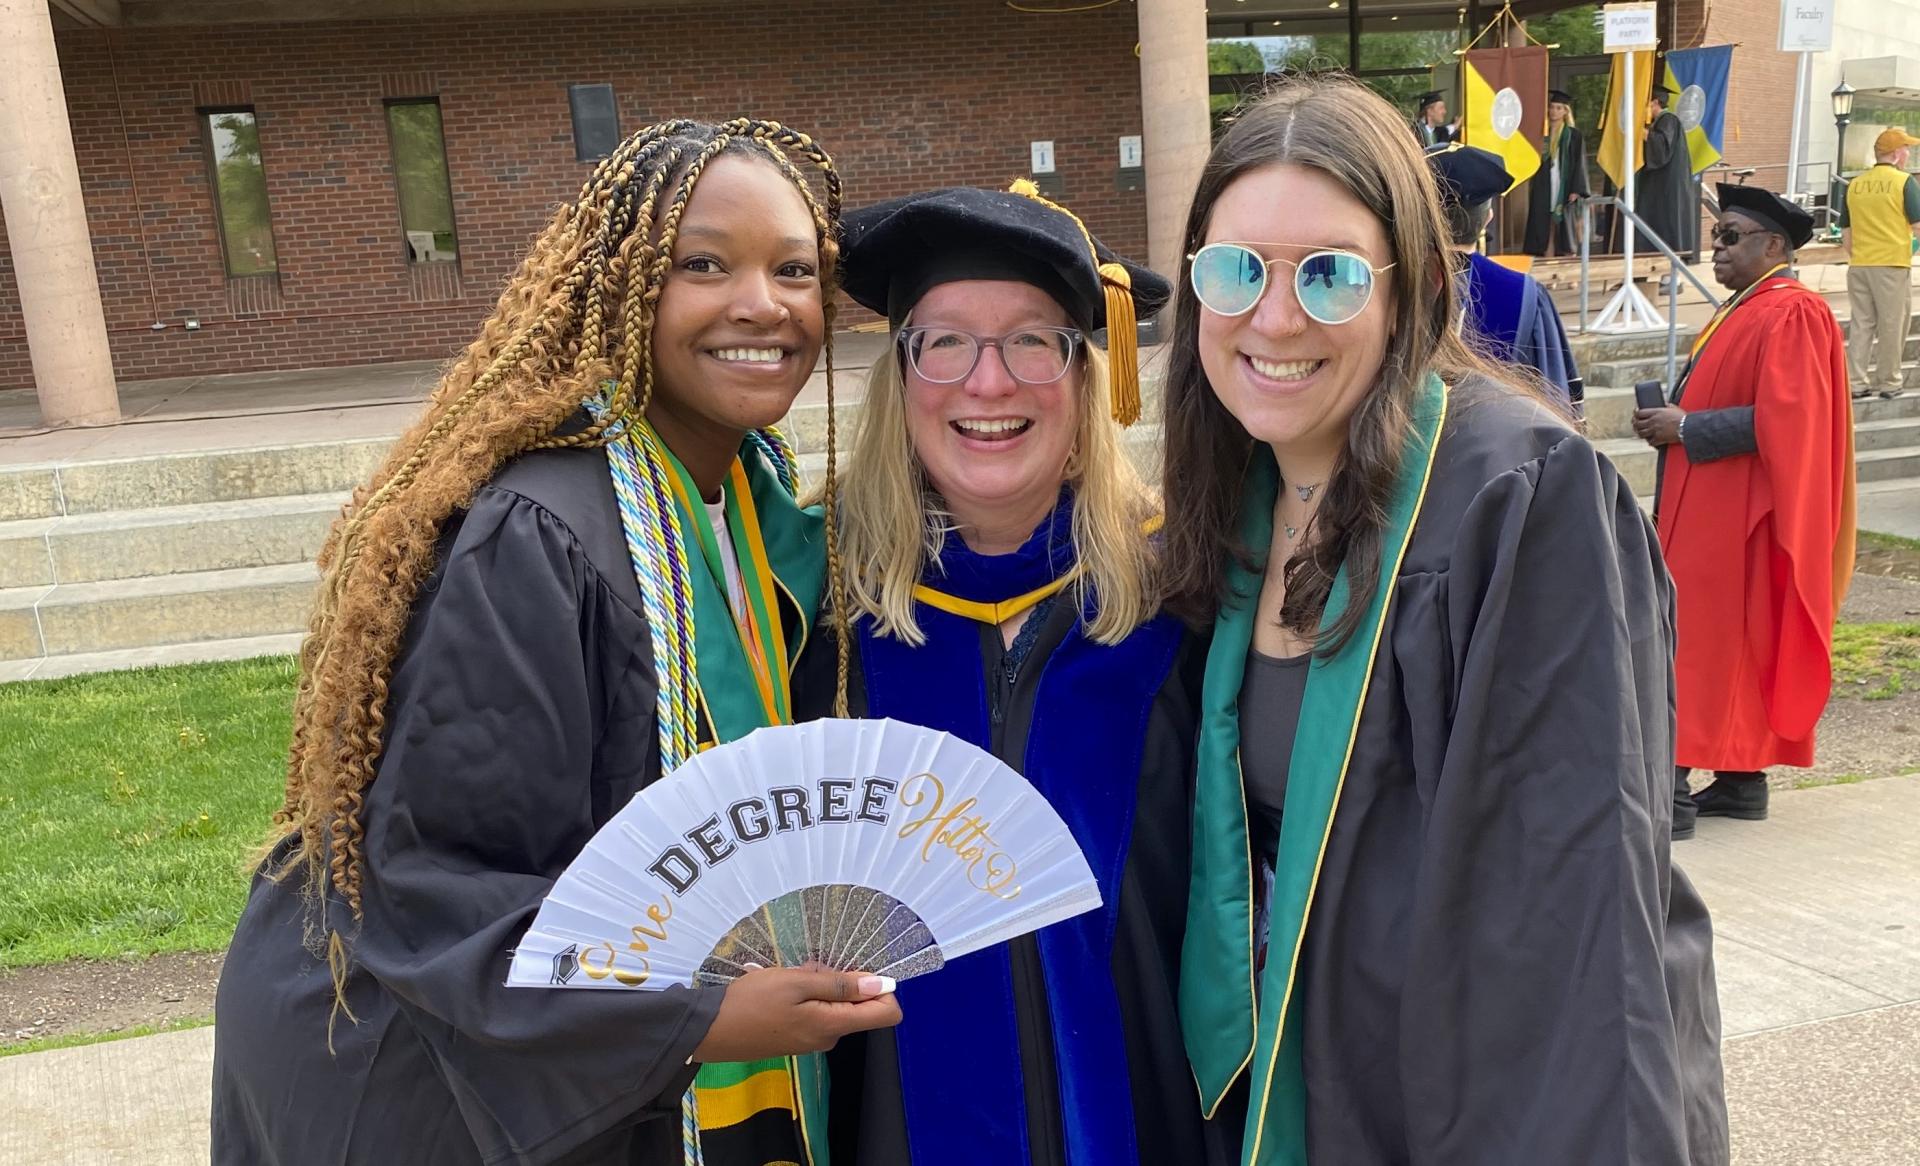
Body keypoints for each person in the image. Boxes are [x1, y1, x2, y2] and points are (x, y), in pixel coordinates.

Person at [210, 119, 906, 1166]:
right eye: (704, 264)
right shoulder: (539, 531)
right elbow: (442, 877)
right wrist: (706, 1019)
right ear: (622, 283)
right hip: (422, 1076)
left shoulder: (742, 504)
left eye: (796, 270)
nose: (762, 303)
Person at [1162, 75, 1728, 1164]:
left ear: (1414, 287)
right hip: (1311, 1084)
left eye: (1327, 274)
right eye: (1236, 270)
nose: (1272, 316)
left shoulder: (1520, 499)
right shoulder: (1236, 498)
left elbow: (1572, 923)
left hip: (1462, 1104)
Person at [807, 182, 1220, 1166]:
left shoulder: (1184, 599)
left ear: (1084, 375)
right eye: (943, 341)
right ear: (899, 376)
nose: (988, 383)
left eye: (1034, 340)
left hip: (1147, 1119)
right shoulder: (821, 623)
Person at [1633, 184, 1857, 834]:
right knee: (1717, 646)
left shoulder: (1794, 311)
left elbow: (1794, 418)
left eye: (1731, 237)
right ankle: (1738, 783)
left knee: (1697, 647)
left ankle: (1671, 798)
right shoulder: (1746, 307)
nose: (1717, 249)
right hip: (1712, 511)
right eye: (1715, 237)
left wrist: (1689, 428)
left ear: (1775, 245)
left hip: (1739, 520)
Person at [1429, 142, 1584, 413]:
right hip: (1499, 452)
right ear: (1488, 218)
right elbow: (1555, 406)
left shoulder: (1386, 285)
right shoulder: (1523, 294)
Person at [1839, 126, 1920, 399]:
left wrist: (1860, 256)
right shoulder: (1904, 182)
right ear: (1897, 154)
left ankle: (1856, 382)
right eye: (1906, 148)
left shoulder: (1855, 185)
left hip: (1859, 265)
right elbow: (1918, 225)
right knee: (1893, 323)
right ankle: (1889, 382)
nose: (1908, 153)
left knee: (1862, 324)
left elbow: (1846, 235)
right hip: (1892, 265)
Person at [1525, 88, 1591, 256]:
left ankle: (1567, 256)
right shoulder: (1541, 133)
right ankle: (1546, 253)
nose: (1554, 111)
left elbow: (1579, 163)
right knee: (1543, 219)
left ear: (1565, 112)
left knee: (1563, 222)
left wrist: (1577, 188)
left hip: (1564, 182)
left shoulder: (1573, 135)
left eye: (1559, 108)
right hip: (1544, 181)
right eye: (1552, 107)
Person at [1636, 81, 1697, 260]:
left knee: (1669, 226)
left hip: (1669, 186)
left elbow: (1662, 147)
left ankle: (1671, 275)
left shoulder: (1669, 120)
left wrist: (1642, 133)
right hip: (1662, 184)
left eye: (1645, 104)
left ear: (1655, 103)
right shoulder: (1660, 122)